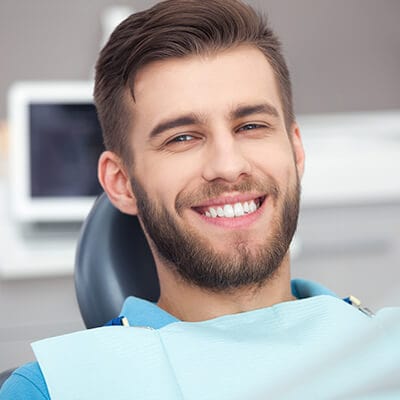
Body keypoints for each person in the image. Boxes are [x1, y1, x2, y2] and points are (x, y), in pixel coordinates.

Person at [1, 0, 400, 398]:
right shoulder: (55, 388)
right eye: (182, 137)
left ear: (295, 151)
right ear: (121, 182)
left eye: (251, 125)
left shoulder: (387, 347)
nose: (228, 166)